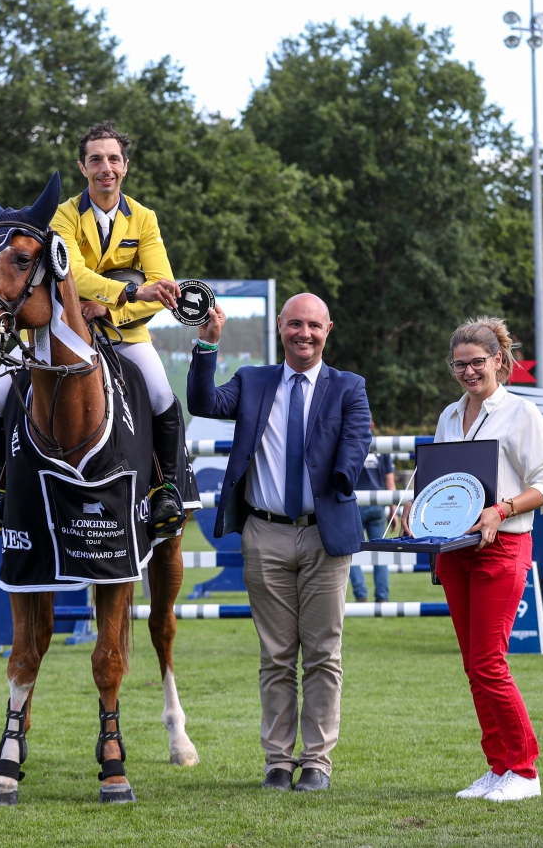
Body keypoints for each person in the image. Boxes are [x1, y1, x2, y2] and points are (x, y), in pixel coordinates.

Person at [187, 293, 371, 793]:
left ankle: (317, 762)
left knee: (324, 655)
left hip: (324, 535)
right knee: (276, 656)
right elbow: (203, 403)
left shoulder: (349, 387)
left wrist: (340, 475)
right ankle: (277, 762)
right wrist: (208, 345)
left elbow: (356, 443)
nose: (303, 333)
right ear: (280, 326)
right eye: (294, 324)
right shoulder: (253, 381)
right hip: (263, 533)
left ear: (328, 330)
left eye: (313, 325)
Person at [409, 315, 543, 803]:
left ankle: (525, 771)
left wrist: (501, 509)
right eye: (459, 364)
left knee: (489, 662)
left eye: (477, 362)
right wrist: (414, 509)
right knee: (474, 666)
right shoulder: (449, 416)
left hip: (503, 546)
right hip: (455, 551)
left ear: (499, 361)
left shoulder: (522, 412)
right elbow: (442, 484)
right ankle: (499, 766)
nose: (468, 371)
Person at [52, 120, 186, 532]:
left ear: (125, 166)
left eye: (113, 159)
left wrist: (110, 310)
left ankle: (165, 489)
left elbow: (163, 287)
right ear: (82, 167)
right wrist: (129, 291)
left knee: (162, 395)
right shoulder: (63, 215)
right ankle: (0, 491)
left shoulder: (144, 218)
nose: (105, 167)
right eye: (96, 160)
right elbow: (71, 273)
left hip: (126, 333)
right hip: (64, 330)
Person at [348, 424, 395, 602]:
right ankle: (382, 597)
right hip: (378, 504)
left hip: (355, 504)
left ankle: (360, 594)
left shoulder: (349, 443)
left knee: (351, 552)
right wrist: (393, 508)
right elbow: (389, 482)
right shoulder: (383, 447)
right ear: (373, 425)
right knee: (380, 553)